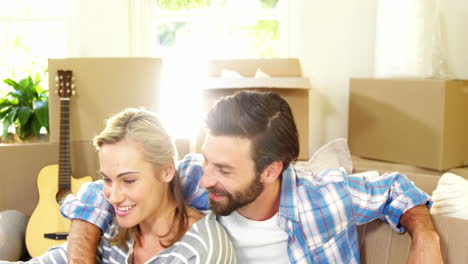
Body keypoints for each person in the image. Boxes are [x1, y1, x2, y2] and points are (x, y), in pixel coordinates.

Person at [61, 91, 443, 264]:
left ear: (271, 170)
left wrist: (424, 238)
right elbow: (100, 191)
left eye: (224, 170)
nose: (206, 178)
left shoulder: (326, 198)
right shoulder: (193, 176)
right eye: (208, 160)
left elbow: (396, 189)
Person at [3, 109, 236, 264]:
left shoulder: (201, 251)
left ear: (166, 170)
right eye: (107, 179)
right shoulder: (112, 227)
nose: (113, 197)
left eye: (129, 180)